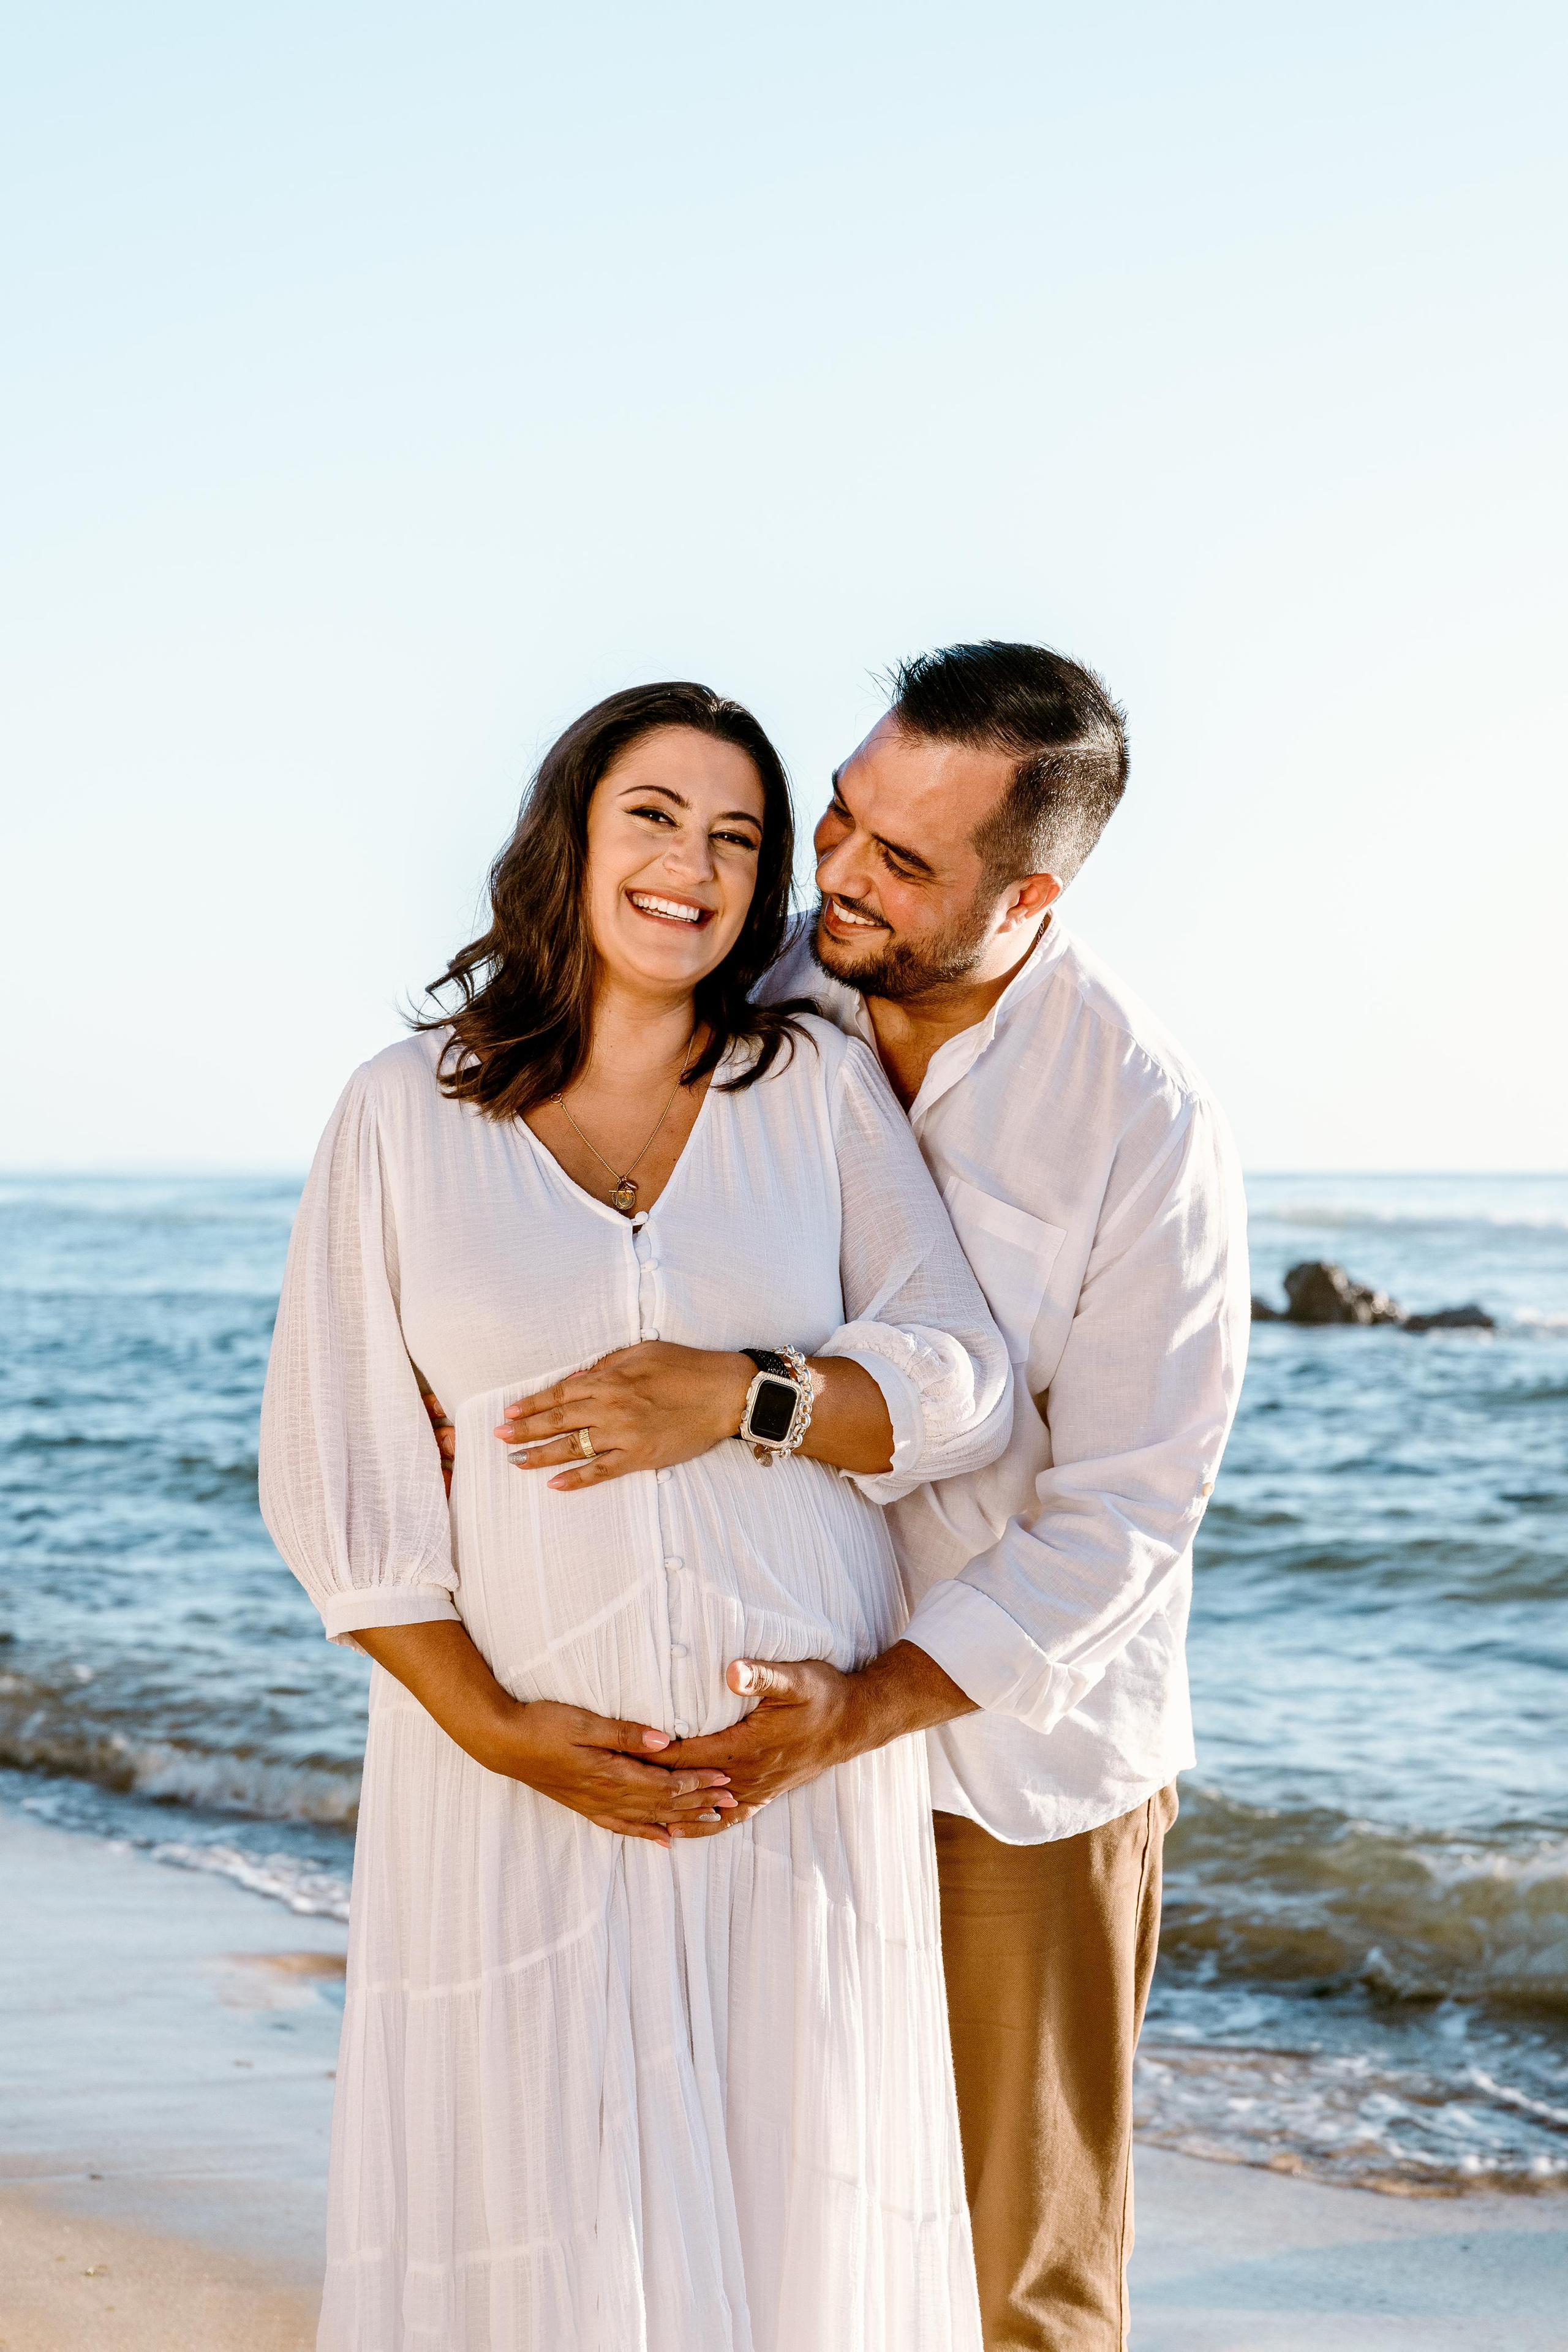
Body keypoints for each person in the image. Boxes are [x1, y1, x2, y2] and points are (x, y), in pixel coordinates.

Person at [488, 645, 1250, 2350]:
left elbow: (1128, 1515)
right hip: (741, 1715)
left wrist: (872, 1710)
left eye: (905, 863)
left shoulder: (1139, 1115)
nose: (837, 872)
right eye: (841, 813)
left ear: (1028, 888)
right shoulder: (758, 997)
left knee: (1014, 2287)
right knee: (771, 2242)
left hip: (1007, 1770)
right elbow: (563, 1198)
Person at [258, 681, 1013, 2351]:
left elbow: (963, 1381)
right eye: (655, 817)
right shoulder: (406, 1111)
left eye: (738, 839)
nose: (695, 865)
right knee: (543, 2227)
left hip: (784, 1782)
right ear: (571, 841)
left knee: (792, 2218)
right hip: (517, 1784)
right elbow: (336, 1480)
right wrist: (503, 1732)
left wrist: (751, 1391)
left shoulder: (807, 1084)